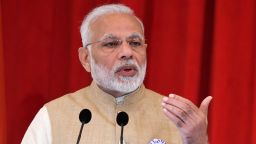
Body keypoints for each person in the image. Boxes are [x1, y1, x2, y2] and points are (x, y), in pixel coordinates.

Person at [22, 4, 212, 144]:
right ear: (86, 58)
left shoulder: (177, 118)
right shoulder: (53, 115)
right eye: (111, 43)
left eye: (135, 43)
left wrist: (198, 140)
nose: (127, 52)